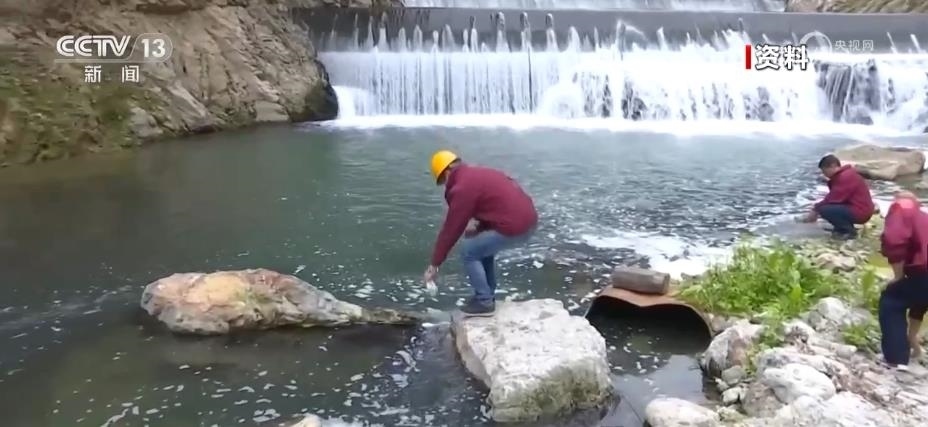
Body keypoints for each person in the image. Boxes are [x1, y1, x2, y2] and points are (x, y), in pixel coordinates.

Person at [422, 150, 538, 317]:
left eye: (442, 180)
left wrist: (435, 264)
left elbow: (451, 229)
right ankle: (488, 294)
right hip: (529, 221)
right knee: (480, 247)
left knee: (469, 252)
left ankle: (484, 301)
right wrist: (480, 227)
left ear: (446, 172)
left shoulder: (462, 187)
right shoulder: (478, 173)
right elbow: (498, 205)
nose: (445, 185)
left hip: (515, 227)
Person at [878, 191, 928, 367]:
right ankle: (912, 343)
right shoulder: (923, 217)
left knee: (891, 301)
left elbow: (894, 241)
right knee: (918, 296)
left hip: (923, 274)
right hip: (922, 279)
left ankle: (896, 359)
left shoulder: (900, 209)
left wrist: (898, 276)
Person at [800, 154, 874, 239]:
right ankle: (841, 228)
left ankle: (849, 232)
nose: (824, 174)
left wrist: (815, 209)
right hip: (860, 208)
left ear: (833, 166)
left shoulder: (845, 177)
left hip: (861, 211)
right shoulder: (846, 174)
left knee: (824, 209)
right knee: (829, 207)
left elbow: (833, 198)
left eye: (824, 171)